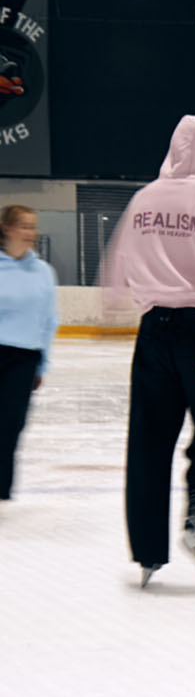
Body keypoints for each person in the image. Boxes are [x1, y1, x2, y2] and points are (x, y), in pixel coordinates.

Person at [103, 114, 195, 587]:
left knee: (148, 440)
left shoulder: (145, 198)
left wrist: (113, 300)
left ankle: (146, 552)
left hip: (152, 329)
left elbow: (119, 256)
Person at [0, 204, 57, 500]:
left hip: (24, 358)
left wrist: (41, 365)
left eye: (32, 226)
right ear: (7, 229)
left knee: (11, 425)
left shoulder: (43, 272)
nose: (30, 232)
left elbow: (49, 320)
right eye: (24, 225)